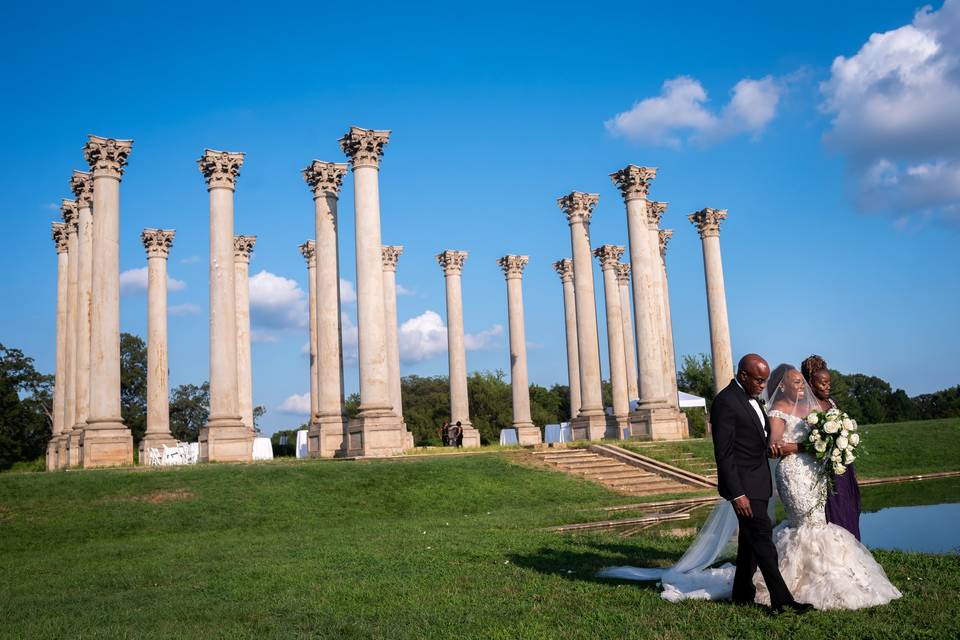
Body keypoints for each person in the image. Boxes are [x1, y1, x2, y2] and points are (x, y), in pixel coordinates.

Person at [760, 363, 901, 609]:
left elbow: (818, 441)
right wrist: (780, 445)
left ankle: (831, 572)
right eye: (796, 382)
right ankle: (796, 581)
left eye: (801, 382)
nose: (801, 386)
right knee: (807, 524)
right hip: (794, 474)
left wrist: (829, 441)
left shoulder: (811, 408)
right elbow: (774, 443)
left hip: (815, 471)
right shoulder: (779, 409)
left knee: (819, 522)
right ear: (782, 386)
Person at [801, 355, 862, 540]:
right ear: (811, 382)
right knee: (835, 506)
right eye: (823, 383)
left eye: (829, 382)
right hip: (824, 466)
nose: (828, 386)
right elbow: (809, 437)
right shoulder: (806, 406)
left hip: (842, 463)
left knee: (849, 503)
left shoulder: (832, 403)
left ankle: (854, 544)